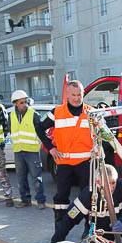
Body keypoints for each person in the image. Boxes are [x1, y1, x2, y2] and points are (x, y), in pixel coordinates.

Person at [51, 164, 122, 243]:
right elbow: (68, 221)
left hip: (119, 225)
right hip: (99, 232)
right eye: (106, 183)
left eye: (113, 182)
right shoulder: (88, 194)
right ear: (97, 182)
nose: (110, 187)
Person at [36, 80, 93, 227]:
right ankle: (60, 227)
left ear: (83, 93)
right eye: (73, 94)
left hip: (85, 163)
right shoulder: (57, 112)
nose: (76, 98)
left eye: (79, 94)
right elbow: (39, 127)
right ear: (67, 95)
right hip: (63, 164)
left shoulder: (91, 113)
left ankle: (89, 227)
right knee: (61, 197)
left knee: (88, 196)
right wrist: (50, 147)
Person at [10, 89, 46, 210]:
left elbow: (41, 132)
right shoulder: (11, 115)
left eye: (25, 102)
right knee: (21, 177)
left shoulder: (33, 114)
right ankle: (25, 200)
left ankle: (40, 201)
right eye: (21, 102)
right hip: (18, 151)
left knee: (36, 178)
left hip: (32, 151)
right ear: (15, 103)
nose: (24, 104)